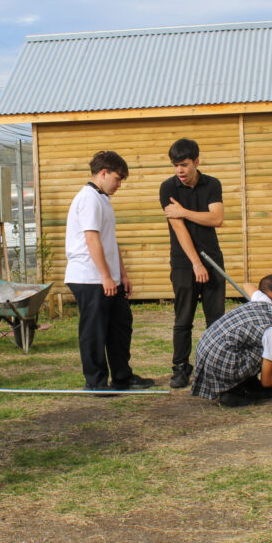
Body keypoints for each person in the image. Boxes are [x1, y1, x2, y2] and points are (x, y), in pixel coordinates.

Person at [65, 151, 154, 392]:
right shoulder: (88, 198)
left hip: (107, 277)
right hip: (89, 277)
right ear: (103, 173)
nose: (119, 184)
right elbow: (92, 239)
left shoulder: (102, 199)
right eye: (117, 178)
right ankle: (95, 382)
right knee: (94, 331)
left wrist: (121, 275)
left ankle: (122, 377)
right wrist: (105, 276)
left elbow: (110, 241)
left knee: (120, 327)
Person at [159, 138, 225, 389]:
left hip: (214, 259)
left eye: (184, 165)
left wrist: (185, 212)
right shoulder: (168, 188)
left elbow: (217, 218)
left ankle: (214, 365)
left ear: (196, 162)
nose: (180, 171)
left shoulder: (212, 184)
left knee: (216, 318)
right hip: (184, 263)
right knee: (183, 318)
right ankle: (180, 368)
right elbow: (179, 229)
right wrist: (196, 263)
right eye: (176, 165)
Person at [192, 275, 272, 407]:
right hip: (217, 363)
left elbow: (248, 285)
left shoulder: (264, 302)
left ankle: (242, 384)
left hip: (205, 349)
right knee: (267, 352)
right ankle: (233, 392)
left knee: (257, 347)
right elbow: (267, 381)